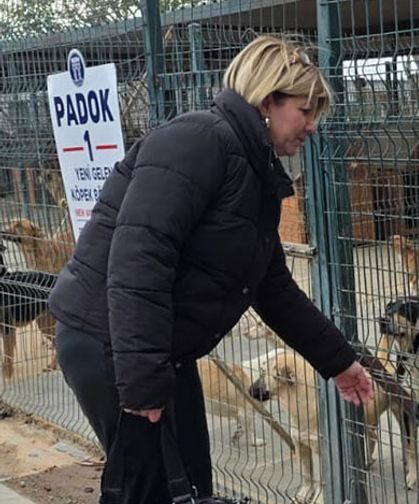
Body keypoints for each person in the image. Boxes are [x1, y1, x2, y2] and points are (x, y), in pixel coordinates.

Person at [47, 35, 373, 503]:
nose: (313, 126)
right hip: (110, 341)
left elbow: (273, 288)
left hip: (157, 348)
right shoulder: (196, 142)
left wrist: (339, 362)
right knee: (154, 488)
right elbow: (138, 261)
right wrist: (141, 387)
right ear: (267, 100)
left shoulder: (253, 171)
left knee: (192, 486)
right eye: (305, 110)